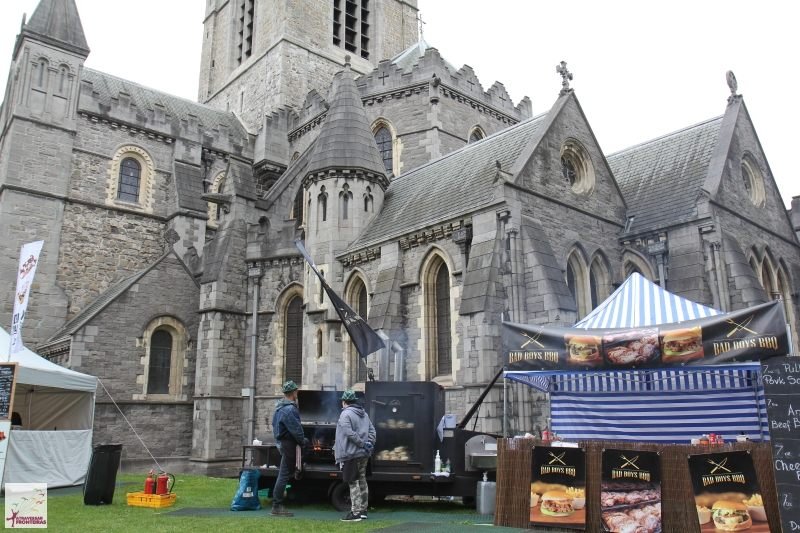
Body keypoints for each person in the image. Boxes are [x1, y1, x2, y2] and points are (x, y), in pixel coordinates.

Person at [334, 389, 376, 522]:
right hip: (364, 454)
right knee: (362, 480)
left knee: (353, 482)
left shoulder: (345, 414)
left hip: (351, 454)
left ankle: (356, 513)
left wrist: (362, 443)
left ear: (344, 402)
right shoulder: (364, 414)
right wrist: (369, 443)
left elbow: (349, 433)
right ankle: (363, 510)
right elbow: (372, 431)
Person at [270, 380, 308, 517]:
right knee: (283, 476)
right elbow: (297, 430)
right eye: (296, 391)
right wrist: (302, 442)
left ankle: (299, 467)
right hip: (289, 445)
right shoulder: (290, 409)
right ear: (293, 393)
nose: (297, 393)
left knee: (283, 474)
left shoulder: (279, 408)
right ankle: (277, 506)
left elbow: (274, 427)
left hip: (283, 444)